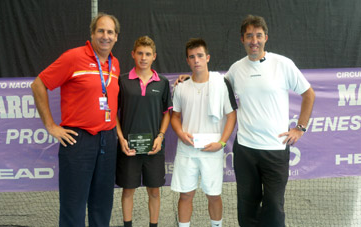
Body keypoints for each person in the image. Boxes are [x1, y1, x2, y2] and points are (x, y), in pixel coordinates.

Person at [31, 13, 120, 227]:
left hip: (107, 141)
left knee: (102, 206)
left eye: (110, 32)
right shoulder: (74, 57)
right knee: (74, 207)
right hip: (78, 141)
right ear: (92, 34)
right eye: (101, 31)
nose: (105, 36)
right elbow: (38, 84)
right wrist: (51, 126)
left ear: (116, 37)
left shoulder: (114, 63)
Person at [226, 15, 316, 227]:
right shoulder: (236, 69)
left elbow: (309, 94)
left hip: (276, 149)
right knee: (247, 207)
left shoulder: (282, 64)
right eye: (249, 36)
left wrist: (300, 128)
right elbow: (216, 88)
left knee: (274, 207)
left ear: (266, 37)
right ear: (242, 40)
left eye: (258, 35)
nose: (254, 40)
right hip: (245, 150)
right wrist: (189, 79)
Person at [171, 38, 237, 227]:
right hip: (187, 150)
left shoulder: (221, 83)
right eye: (192, 57)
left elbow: (231, 116)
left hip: (213, 149)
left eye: (200, 56)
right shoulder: (181, 87)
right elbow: (175, 117)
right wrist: (181, 134)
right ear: (187, 61)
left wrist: (222, 143)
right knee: (186, 195)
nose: (196, 60)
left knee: (214, 195)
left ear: (207, 57)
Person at [115, 36, 172, 227]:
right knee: (128, 191)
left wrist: (161, 136)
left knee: (154, 192)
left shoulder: (163, 83)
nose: (143, 57)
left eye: (147, 54)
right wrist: (121, 138)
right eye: (140, 53)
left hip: (153, 148)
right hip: (128, 148)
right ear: (133, 54)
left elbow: (167, 113)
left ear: (154, 56)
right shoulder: (122, 81)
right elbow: (113, 113)